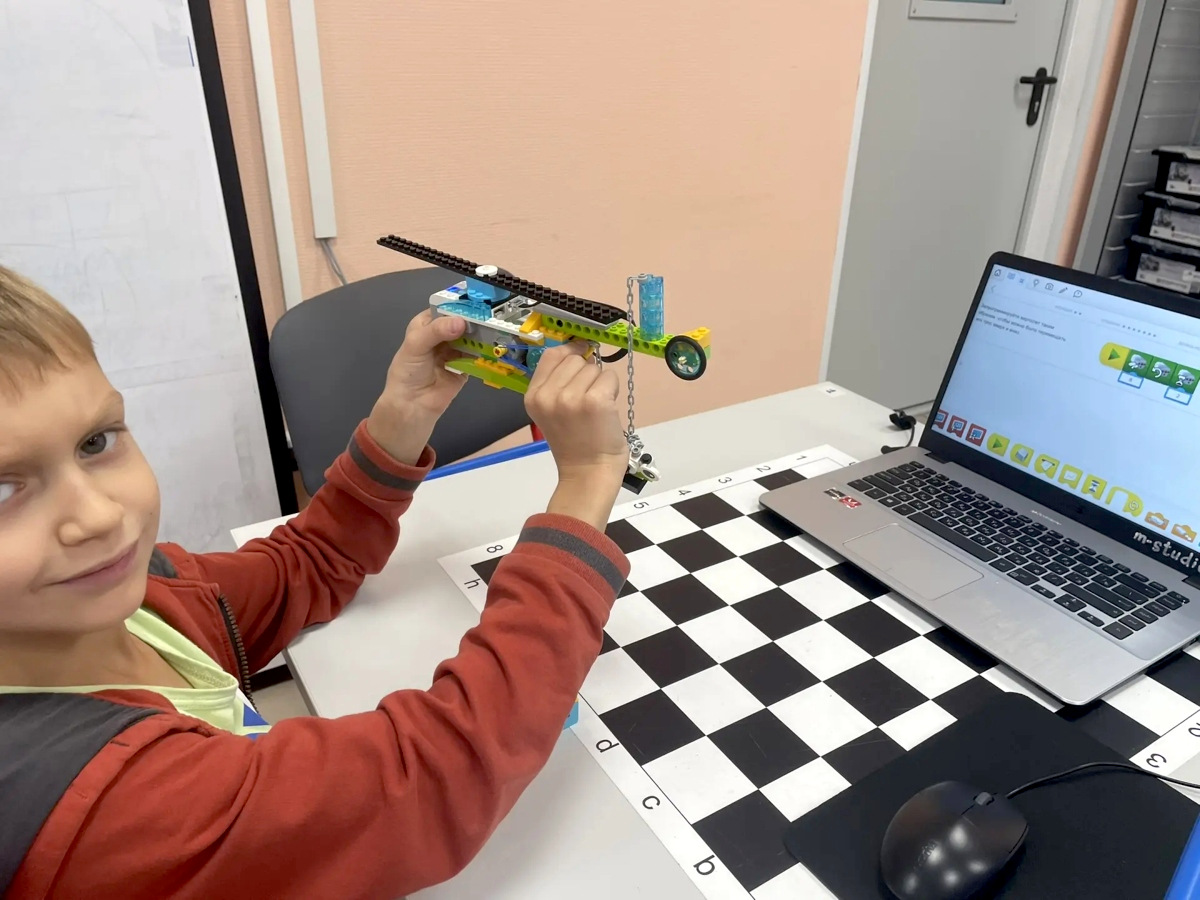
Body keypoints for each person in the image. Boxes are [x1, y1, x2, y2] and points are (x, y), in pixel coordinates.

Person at [0, 265, 631, 899]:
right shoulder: (105, 803)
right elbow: (429, 784)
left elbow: (306, 562)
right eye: (4, 489)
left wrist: (404, 413)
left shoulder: (139, 603)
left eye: (95, 442)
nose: (98, 516)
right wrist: (588, 481)